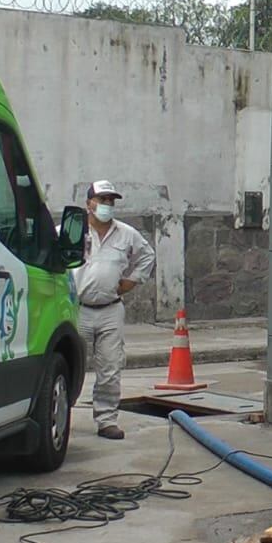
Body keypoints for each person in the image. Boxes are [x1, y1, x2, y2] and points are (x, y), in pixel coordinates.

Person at [73, 180, 155, 440]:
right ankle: (62, 417)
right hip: (77, 310)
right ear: (89, 204)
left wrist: (132, 281)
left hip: (110, 309)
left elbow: (147, 256)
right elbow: (48, 253)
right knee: (70, 366)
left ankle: (107, 419)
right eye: (102, 200)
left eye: (111, 201)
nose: (107, 205)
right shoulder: (71, 230)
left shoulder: (126, 234)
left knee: (110, 367)